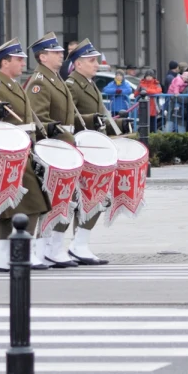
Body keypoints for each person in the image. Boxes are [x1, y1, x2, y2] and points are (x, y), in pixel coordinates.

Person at [0, 38, 48, 271]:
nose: (22, 64)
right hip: (9, 154)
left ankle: (3, 256)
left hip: (23, 152)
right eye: (18, 60)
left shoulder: (14, 85)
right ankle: (19, 252)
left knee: (12, 206)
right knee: (28, 203)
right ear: (5, 62)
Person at [65, 39, 124, 265]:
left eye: (95, 60)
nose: (96, 64)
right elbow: (69, 119)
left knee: (96, 198)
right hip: (83, 150)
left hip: (94, 149)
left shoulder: (89, 84)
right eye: (91, 61)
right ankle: (74, 244)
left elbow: (98, 119)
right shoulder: (72, 85)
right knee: (85, 198)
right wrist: (93, 120)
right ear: (78, 64)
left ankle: (80, 243)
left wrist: (118, 125)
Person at [26, 32, 79, 267]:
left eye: (60, 52)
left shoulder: (55, 78)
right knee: (51, 199)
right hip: (52, 147)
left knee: (65, 199)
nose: (61, 55)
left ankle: (53, 247)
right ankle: (41, 247)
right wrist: (62, 137)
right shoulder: (39, 81)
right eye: (55, 52)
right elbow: (40, 119)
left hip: (63, 145)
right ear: (43, 57)